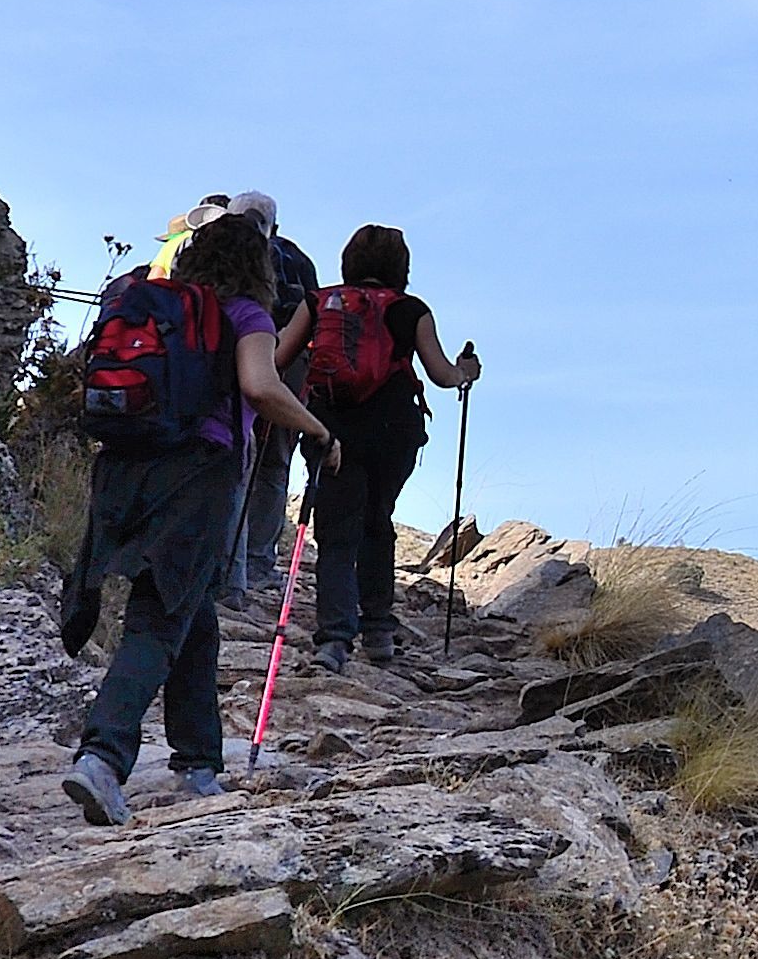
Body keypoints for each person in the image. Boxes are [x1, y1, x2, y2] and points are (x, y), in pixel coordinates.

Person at [61, 208, 329, 827]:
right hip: (194, 474)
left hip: (122, 465)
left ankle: (198, 761)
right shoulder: (246, 314)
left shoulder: (149, 300)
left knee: (193, 611)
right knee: (159, 616)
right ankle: (102, 756)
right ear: (259, 266)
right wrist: (317, 429)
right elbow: (260, 386)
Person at [297, 224, 479, 668]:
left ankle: (334, 641)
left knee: (335, 533)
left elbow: (279, 357)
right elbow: (440, 375)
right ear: (401, 266)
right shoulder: (411, 310)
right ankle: (378, 630)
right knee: (378, 520)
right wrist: (466, 372)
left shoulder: (318, 302)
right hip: (393, 431)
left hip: (331, 426)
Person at [226, 190, 318, 608]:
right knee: (275, 462)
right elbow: (313, 315)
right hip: (292, 364)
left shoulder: (221, 248)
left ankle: (230, 567)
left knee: (236, 455)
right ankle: (260, 560)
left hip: (239, 350)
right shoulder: (298, 259)